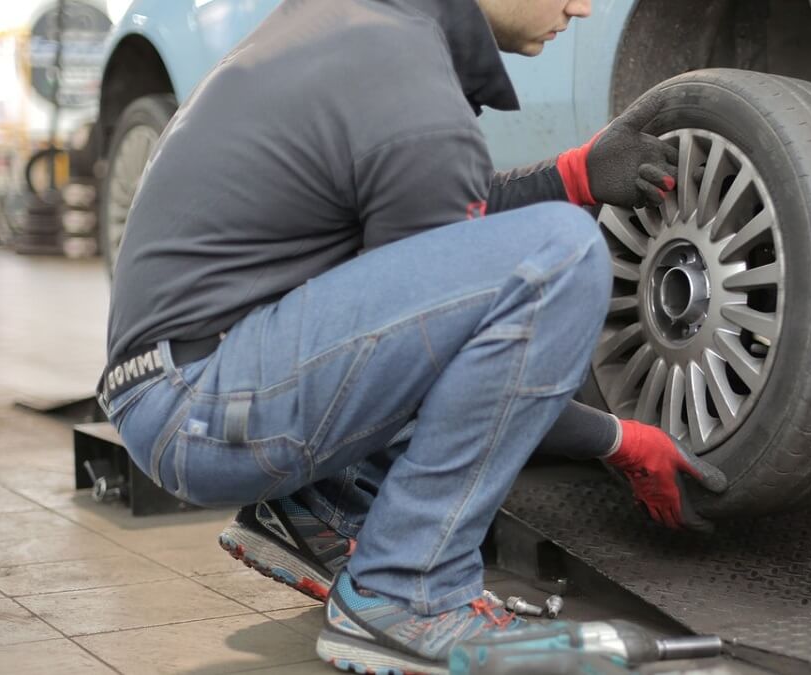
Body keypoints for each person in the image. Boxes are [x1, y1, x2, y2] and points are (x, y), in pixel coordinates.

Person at [97, 0, 726, 671]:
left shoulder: (371, 30)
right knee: (561, 258)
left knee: (521, 258)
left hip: (181, 382)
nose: (581, 5)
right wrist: (618, 439)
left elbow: (425, 255)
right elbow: (444, 348)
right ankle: (410, 592)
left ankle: (323, 510)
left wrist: (571, 176)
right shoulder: (408, 77)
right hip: (202, 404)